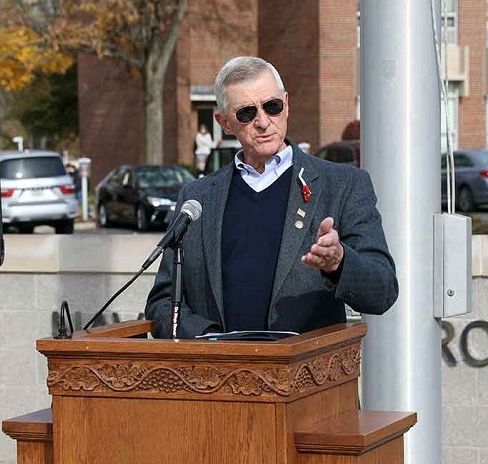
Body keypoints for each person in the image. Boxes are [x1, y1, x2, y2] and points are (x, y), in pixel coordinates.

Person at [145, 56, 398, 339]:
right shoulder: (197, 199)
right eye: (246, 113)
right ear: (224, 122)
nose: (263, 122)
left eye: (272, 107)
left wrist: (339, 263)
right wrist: (212, 341)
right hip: (218, 375)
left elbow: (383, 290)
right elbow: (162, 303)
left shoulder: (343, 185)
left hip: (305, 376)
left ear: (287, 104)